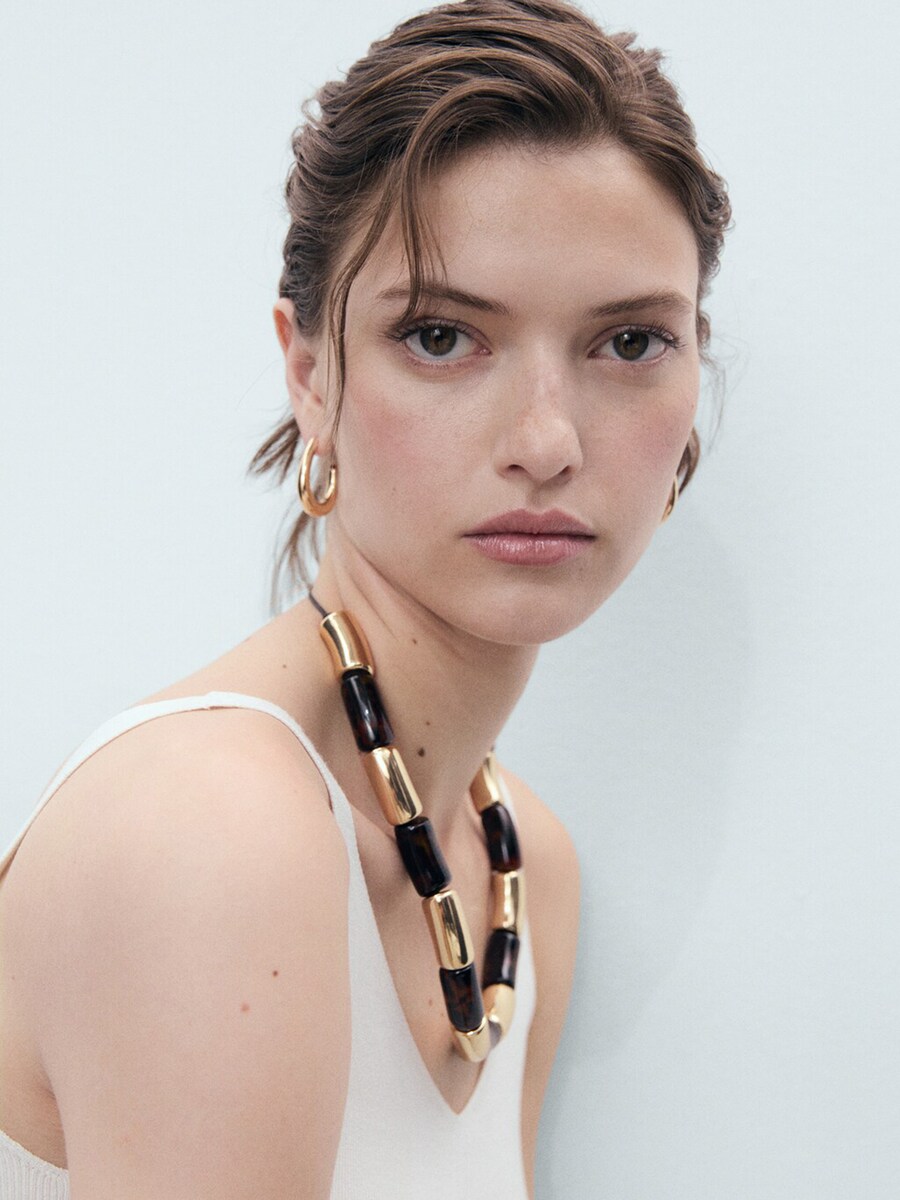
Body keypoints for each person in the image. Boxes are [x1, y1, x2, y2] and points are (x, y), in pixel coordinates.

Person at [0, 0, 730, 1195]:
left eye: (630, 343)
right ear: (310, 372)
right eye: (442, 336)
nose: (548, 443)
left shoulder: (522, 868)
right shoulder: (212, 824)